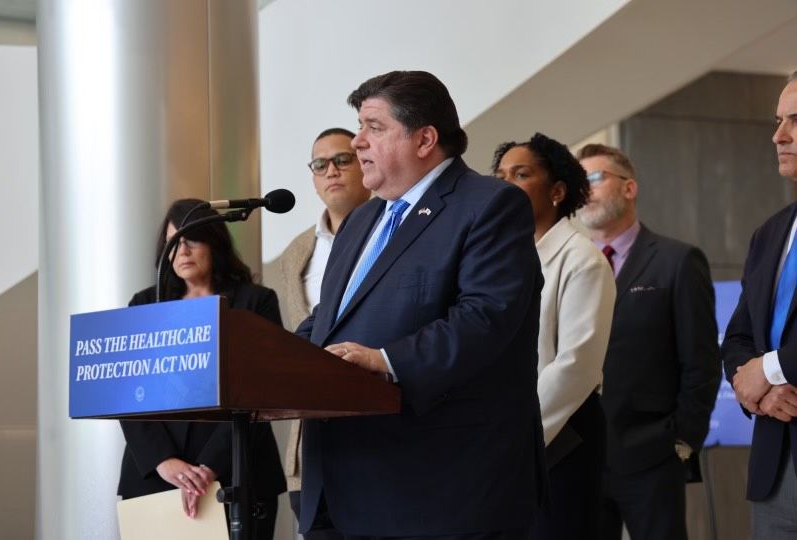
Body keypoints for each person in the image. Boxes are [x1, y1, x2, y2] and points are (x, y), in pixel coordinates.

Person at [296, 70, 547, 539]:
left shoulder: (490, 205)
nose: (357, 142)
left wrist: (386, 361)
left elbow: (485, 315)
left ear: (425, 138)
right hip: (343, 483)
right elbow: (327, 321)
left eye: (373, 127)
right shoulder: (360, 220)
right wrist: (274, 360)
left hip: (441, 489)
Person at [117, 198, 287, 540]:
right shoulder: (143, 304)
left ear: (215, 241)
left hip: (238, 471)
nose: (182, 250)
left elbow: (261, 388)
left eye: (192, 239)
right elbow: (126, 390)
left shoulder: (256, 302)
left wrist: (208, 467)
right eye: (172, 242)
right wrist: (165, 462)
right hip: (155, 475)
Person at [576, 144, 720, 540]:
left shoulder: (677, 260)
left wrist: (683, 439)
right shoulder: (569, 266)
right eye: (578, 182)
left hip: (651, 454)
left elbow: (702, 360)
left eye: (595, 178)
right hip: (577, 457)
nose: (584, 189)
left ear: (629, 188)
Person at [492, 133, 615, 539]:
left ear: (558, 191)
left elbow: (576, 365)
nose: (505, 184)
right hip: (507, 432)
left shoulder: (582, 258)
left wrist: (515, 434)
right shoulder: (502, 259)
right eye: (500, 175)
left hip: (561, 430)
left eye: (521, 174)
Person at [274, 127, 370, 539]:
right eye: (320, 164)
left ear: (365, 165)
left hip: (376, 428)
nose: (331, 170)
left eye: (342, 160)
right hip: (310, 443)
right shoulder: (297, 251)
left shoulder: (392, 231)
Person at [722, 71, 797, 538]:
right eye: (777, 120)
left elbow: (762, 359)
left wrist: (768, 371)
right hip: (775, 465)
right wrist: (761, 393)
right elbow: (738, 337)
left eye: (795, 120)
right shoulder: (770, 231)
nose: (778, 135)